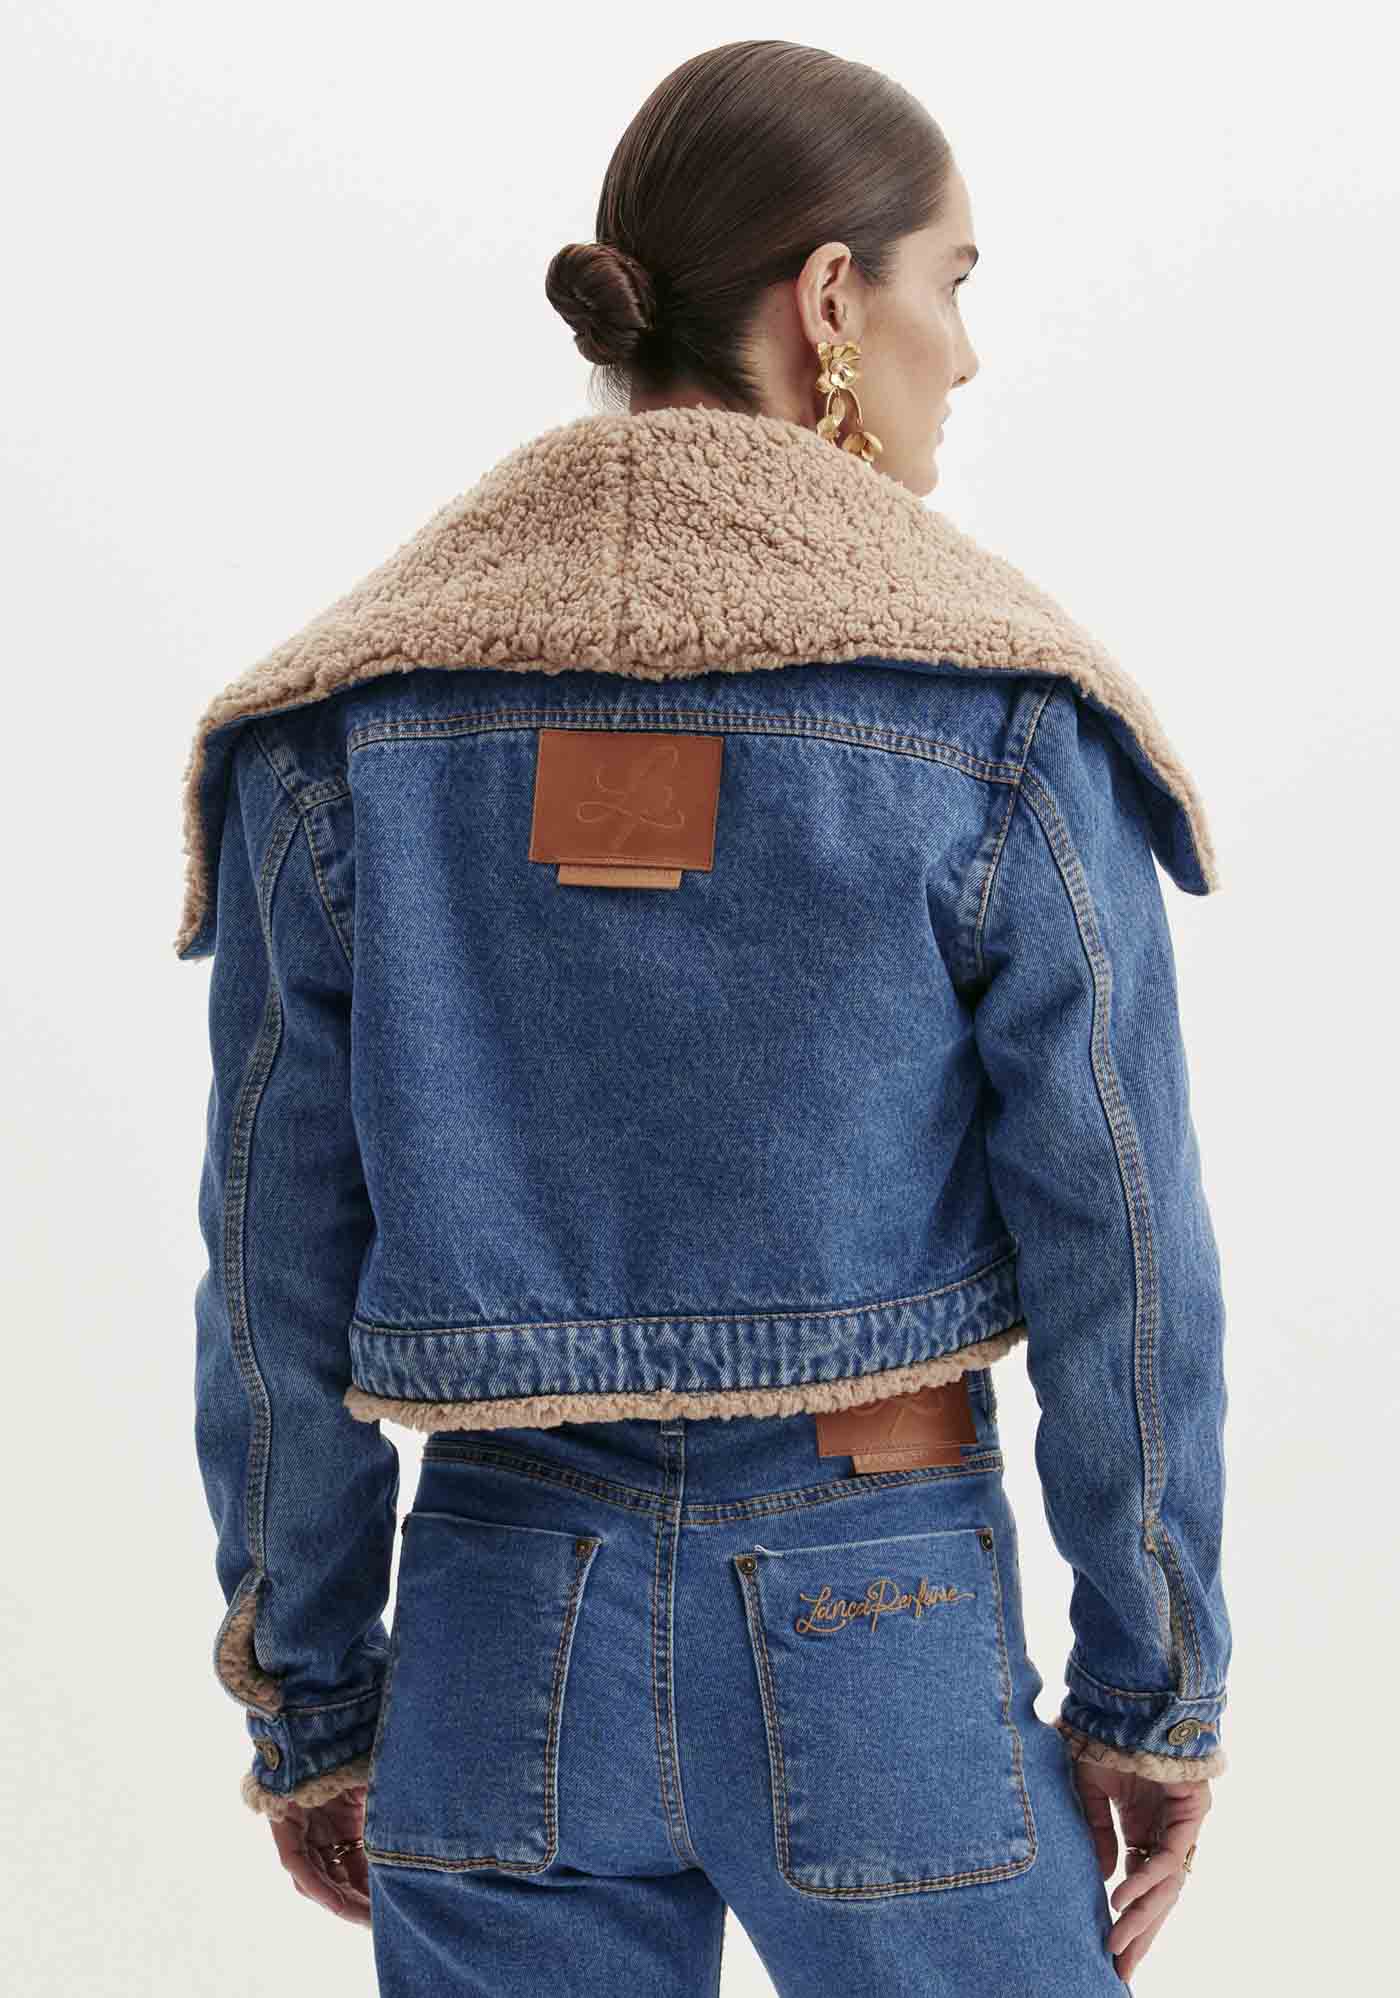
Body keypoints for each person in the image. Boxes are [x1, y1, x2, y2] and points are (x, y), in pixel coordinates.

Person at [176, 39, 1230, 1996]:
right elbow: (1127, 1246)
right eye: (952, 285)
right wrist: (1153, 1688)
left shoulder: (347, 726)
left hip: (498, 1627)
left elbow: (273, 1271)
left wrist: (310, 1694)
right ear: (831, 300)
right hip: (879, 1617)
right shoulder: (1001, 711)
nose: (964, 355)